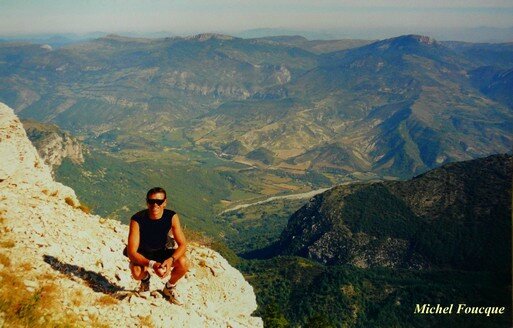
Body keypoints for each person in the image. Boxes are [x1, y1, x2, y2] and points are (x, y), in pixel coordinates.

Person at [125, 187, 189, 304]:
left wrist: (170, 260)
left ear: (165, 202)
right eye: (151, 201)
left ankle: (169, 287)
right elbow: (132, 252)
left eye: (159, 202)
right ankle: (145, 280)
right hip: (143, 252)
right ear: (147, 202)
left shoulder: (171, 217)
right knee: (137, 273)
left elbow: (183, 244)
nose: (155, 205)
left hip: (162, 251)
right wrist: (153, 265)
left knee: (183, 263)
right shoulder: (137, 219)